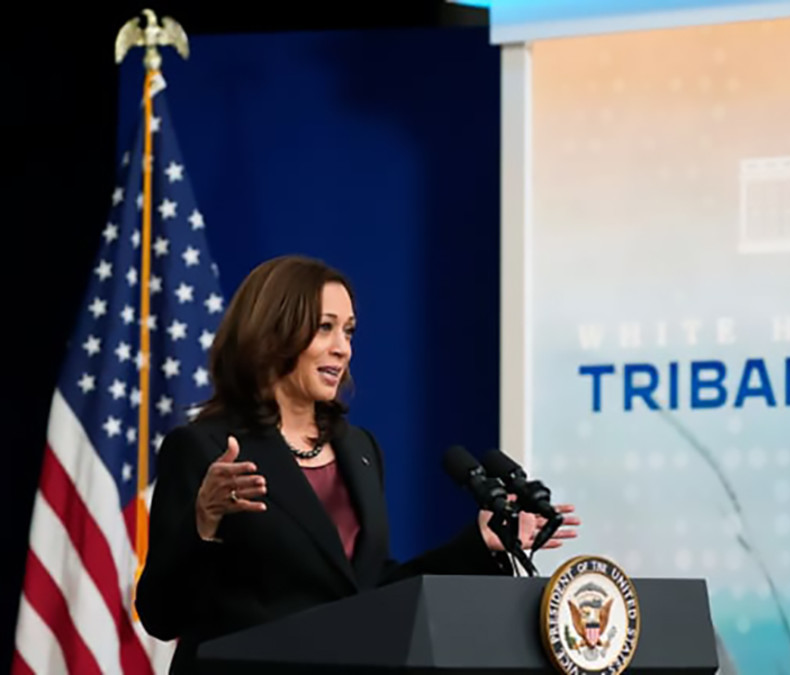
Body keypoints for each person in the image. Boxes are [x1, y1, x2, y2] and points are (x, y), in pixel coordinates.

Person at [135, 254, 579, 674]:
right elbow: (161, 614)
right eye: (325, 328)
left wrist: (479, 544)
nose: (342, 348)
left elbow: (367, 591)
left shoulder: (358, 449)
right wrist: (205, 523)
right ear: (272, 333)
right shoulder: (204, 448)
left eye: (348, 331)